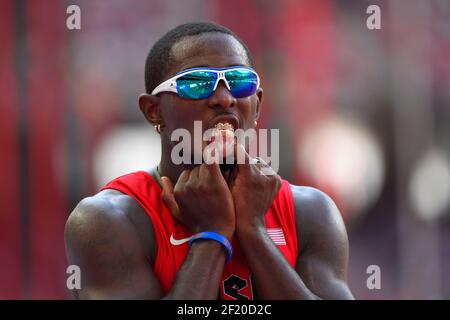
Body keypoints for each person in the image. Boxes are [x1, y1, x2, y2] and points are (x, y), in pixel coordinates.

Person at [64, 22, 354, 300]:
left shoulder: (310, 211)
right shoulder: (109, 220)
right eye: (197, 83)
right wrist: (212, 233)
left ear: (257, 106)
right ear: (153, 110)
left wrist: (253, 229)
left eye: (240, 82)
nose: (224, 98)